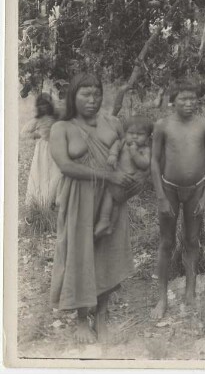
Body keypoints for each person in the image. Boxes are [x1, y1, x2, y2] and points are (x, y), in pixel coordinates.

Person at [49, 73, 138, 343]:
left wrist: (127, 182)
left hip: (110, 198)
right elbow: (66, 166)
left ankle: (101, 313)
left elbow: (127, 153)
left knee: (106, 252)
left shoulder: (112, 122)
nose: (92, 99)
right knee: (79, 253)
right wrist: (108, 176)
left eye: (96, 93)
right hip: (79, 197)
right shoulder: (61, 128)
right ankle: (81, 319)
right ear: (73, 97)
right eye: (85, 94)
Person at [150, 79, 205, 319]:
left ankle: (190, 291)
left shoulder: (204, 125)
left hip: (196, 189)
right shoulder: (163, 125)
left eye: (193, 98)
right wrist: (160, 197)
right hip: (169, 189)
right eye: (183, 99)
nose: (189, 103)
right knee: (166, 243)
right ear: (172, 101)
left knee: (192, 240)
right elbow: (155, 162)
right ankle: (162, 298)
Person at [94, 116, 152, 240]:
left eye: (140, 134)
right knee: (116, 203)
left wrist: (134, 153)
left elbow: (145, 164)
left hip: (131, 181)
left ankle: (104, 220)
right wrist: (113, 155)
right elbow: (116, 145)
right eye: (131, 133)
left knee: (110, 194)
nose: (134, 137)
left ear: (147, 137)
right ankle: (110, 227)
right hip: (120, 176)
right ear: (125, 133)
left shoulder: (145, 150)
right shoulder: (124, 142)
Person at [21, 93, 62, 209]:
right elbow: (24, 132)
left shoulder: (56, 117)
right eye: (41, 105)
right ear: (38, 107)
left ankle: (53, 200)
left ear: (50, 105)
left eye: (46, 104)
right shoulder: (37, 120)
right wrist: (37, 135)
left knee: (56, 173)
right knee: (43, 173)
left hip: (57, 147)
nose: (44, 107)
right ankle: (42, 202)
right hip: (43, 150)